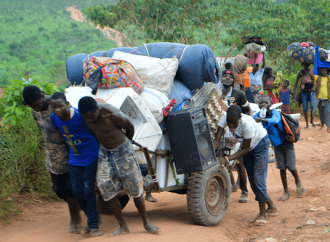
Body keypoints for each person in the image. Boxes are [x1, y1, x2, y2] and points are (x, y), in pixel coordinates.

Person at [78, 96, 161, 236]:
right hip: (105, 152)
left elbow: (129, 127)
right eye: (87, 118)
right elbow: (93, 131)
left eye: (92, 117)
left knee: (135, 188)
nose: (90, 120)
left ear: (97, 109)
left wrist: (125, 144)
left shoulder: (112, 113)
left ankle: (146, 223)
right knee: (105, 187)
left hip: (123, 150)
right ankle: (123, 226)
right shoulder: (86, 115)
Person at [22, 86, 81, 234]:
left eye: (35, 104)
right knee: (58, 190)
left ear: (42, 96)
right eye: (31, 106)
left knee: (69, 189)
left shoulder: (57, 104)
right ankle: (81, 206)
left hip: (68, 152)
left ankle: (74, 219)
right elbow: (41, 129)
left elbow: (72, 123)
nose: (35, 108)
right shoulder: (35, 111)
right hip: (52, 155)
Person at [213, 105, 278, 224]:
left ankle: (262, 214)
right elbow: (217, 139)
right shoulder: (224, 118)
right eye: (229, 122)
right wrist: (212, 156)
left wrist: (227, 159)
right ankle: (272, 207)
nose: (231, 125)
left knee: (259, 180)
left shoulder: (247, 124)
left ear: (239, 118)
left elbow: (246, 149)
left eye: (233, 123)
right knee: (253, 181)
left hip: (259, 145)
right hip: (246, 147)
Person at [50, 92, 102, 237]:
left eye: (60, 106)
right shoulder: (54, 118)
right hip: (74, 158)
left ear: (67, 104)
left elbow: (95, 132)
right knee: (76, 191)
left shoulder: (80, 117)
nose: (57, 110)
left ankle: (93, 225)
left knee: (88, 190)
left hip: (90, 155)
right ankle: (94, 217)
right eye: (54, 107)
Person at [254, 95, 305, 201]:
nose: (263, 105)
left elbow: (275, 121)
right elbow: (253, 121)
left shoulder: (275, 113)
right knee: (282, 168)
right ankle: (286, 191)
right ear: (258, 105)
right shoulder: (258, 115)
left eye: (266, 103)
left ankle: (297, 180)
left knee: (291, 166)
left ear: (270, 104)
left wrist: (262, 120)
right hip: (276, 145)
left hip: (286, 142)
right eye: (261, 103)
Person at [220, 69, 251, 203]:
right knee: (222, 158)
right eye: (224, 76)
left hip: (237, 132)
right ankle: (229, 186)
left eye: (229, 76)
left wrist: (247, 125)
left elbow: (248, 109)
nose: (227, 78)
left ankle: (244, 191)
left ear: (234, 80)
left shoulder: (239, 94)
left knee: (239, 163)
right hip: (222, 130)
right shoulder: (217, 94)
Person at [293, 63, 315, 129]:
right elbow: (296, 83)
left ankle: (311, 120)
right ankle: (307, 124)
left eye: (307, 65)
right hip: (303, 92)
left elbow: (316, 79)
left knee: (312, 106)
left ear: (309, 65)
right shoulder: (300, 73)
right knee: (305, 108)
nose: (306, 66)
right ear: (303, 65)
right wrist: (294, 94)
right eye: (305, 65)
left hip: (311, 91)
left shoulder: (312, 72)